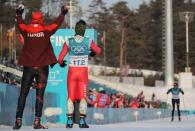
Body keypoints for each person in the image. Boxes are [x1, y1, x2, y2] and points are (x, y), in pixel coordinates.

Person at [13, 4, 68, 130]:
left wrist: (19, 14)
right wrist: (62, 14)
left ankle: (18, 121)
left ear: (32, 19)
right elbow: (56, 24)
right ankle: (37, 122)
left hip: (28, 68)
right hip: (42, 68)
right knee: (40, 95)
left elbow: (19, 23)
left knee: (23, 94)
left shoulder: (26, 29)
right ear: (41, 19)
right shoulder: (46, 30)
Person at [58, 19, 101, 128]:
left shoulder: (69, 41)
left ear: (76, 29)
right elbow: (98, 50)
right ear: (84, 30)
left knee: (70, 97)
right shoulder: (88, 40)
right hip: (82, 74)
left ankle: (69, 121)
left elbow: (60, 58)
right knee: (83, 97)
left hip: (72, 73)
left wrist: (62, 63)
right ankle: (82, 121)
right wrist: (92, 52)